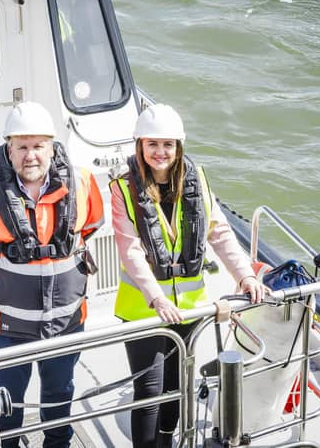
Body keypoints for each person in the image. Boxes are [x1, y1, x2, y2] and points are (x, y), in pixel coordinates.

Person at [110, 103, 269, 448]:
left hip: (191, 308)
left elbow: (220, 232)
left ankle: (167, 440)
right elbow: (130, 249)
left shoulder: (196, 180)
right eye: (152, 144)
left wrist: (246, 276)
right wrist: (157, 298)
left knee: (177, 386)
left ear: (179, 147)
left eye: (168, 145)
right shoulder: (123, 189)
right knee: (149, 391)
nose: (160, 152)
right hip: (144, 309)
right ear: (140, 146)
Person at [0, 101, 104, 448]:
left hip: (66, 321)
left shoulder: (82, 182)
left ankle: (58, 444)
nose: (30, 155)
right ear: (8, 150)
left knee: (59, 395)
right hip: (6, 326)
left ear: (53, 147)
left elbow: (90, 225)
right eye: (21, 146)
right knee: (6, 402)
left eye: (38, 145)